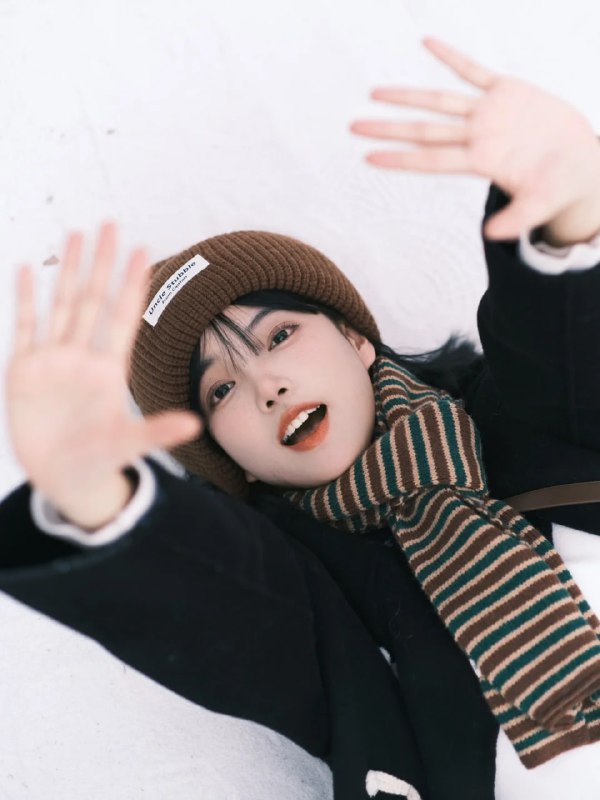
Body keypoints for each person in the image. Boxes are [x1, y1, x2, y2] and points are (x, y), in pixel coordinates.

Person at [3, 36, 600, 800]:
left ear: (355, 341)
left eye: (280, 335)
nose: (266, 385)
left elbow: (563, 341)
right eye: (219, 391)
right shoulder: (311, 592)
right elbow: (211, 605)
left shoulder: (522, 413)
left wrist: (569, 207)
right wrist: (92, 495)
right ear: (227, 458)